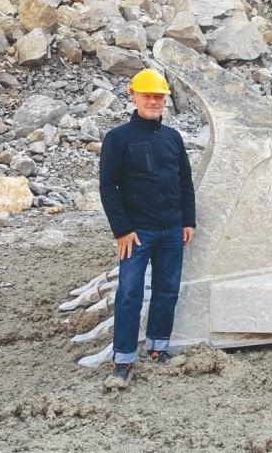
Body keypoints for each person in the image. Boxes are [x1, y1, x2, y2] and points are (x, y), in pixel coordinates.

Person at [99, 68, 196, 389]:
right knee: (129, 293)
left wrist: (188, 220)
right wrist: (122, 230)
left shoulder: (172, 137)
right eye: (148, 95)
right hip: (136, 233)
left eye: (159, 96)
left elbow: (184, 180)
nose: (154, 101)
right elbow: (108, 187)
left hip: (171, 230)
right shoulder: (118, 138)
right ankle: (123, 358)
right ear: (133, 96)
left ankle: (158, 347)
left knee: (167, 290)